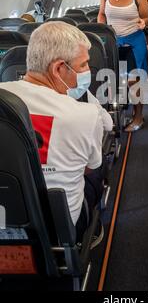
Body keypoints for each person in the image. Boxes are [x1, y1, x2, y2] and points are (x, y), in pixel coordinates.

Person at [0, 21, 113, 238]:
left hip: (6, 217)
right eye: (83, 65)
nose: (88, 71)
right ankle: (92, 230)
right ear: (59, 68)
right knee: (97, 167)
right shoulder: (85, 115)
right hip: (59, 228)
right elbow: (88, 169)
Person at [98, 0, 148, 132]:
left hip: (135, 41)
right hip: (113, 42)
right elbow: (102, 14)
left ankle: (138, 117)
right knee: (112, 78)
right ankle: (115, 110)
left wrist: (144, 22)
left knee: (134, 80)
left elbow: (147, 17)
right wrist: (101, 27)